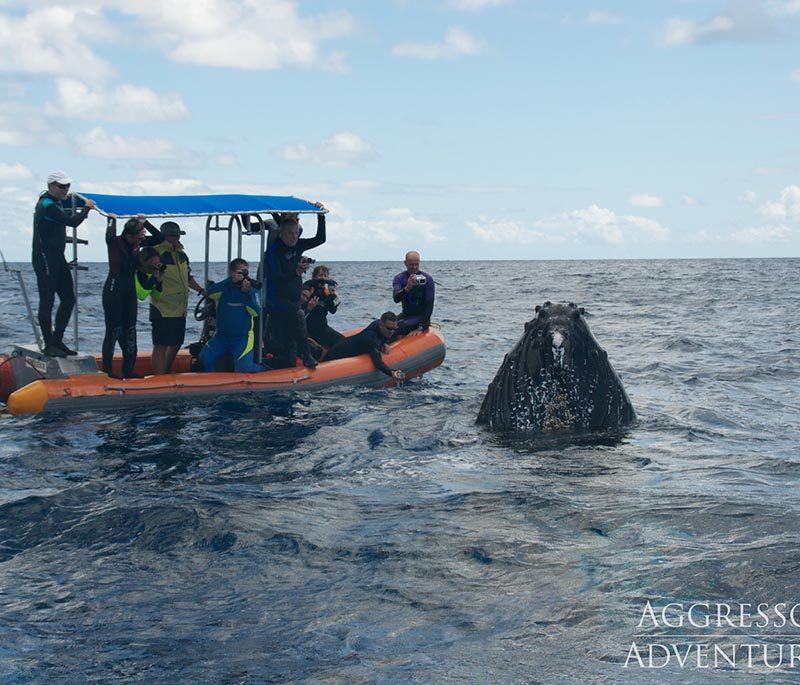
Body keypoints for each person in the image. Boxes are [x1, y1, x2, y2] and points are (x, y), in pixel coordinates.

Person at [32, 171, 96, 357]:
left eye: (67, 186)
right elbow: (73, 222)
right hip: (43, 258)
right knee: (48, 301)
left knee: (69, 298)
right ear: (51, 186)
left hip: (57, 258)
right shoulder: (47, 205)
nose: (65, 189)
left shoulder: (57, 202)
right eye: (61, 186)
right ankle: (48, 344)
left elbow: (63, 217)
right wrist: (87, 208)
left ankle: (57, 340)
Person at [264, 203, 326, 368]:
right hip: (276, 302)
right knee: (297, 314)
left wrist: (321, 216)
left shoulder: (299, 244)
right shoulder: (273, 251)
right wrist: (296, 272)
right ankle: (307, 355)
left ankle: (272, 364)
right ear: (282, 233)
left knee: (289, 357)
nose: (294, 237)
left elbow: (321, 239)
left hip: (293, 302)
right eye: (290, 233)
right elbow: (276, 278)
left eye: (296, 233)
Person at [101, 213, 162, 379]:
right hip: (114, 291)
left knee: (130, 331)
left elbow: (159, 238)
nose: (141, 240)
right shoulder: (115, 242)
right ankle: (108, 371)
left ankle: (128, 371)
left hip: (128, 293)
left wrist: (145, 222)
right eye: (139, 237)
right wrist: (112, 219)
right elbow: (109, 234)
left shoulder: (138, 244)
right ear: (129, 235)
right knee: (113, 331)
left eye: (143, 236)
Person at [150, 221, 206, 374]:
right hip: (162, 306)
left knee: (176, 343)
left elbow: (188, 277)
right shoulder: (155, 253)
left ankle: (165, 372)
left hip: (179, 308)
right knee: (160, 344)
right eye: (173, 235)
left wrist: (201, 290)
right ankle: (159, 376)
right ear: (164, 236)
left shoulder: (182, 255)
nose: (176, 238)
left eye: (178, 235)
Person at [198, 258, 267, 373]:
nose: (244, 276)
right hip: (221, 337)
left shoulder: (252, 290)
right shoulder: (224, 289)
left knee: (243, 370)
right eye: (240, 272)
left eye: (246, 272)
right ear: (232, 272)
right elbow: (210, 293)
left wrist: (246, 294)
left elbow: (256, 312)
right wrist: (230, 281)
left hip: (242, 339)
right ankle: (212, 382)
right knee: (202, 361)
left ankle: (265, 370)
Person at [325, 311, 406, 380]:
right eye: (389, 329)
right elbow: (378, 363)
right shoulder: (371, 338)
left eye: (394, 329)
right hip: (336, 354)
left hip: (342, 344)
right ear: (381, 325)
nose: (392, 332)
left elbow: (384, 336)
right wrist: (392, 373)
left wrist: (384, 343)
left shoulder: (377, 324)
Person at [392, 250, 435, 336]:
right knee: (381, 324)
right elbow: (396, 299)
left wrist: (421, 327)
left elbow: (429, 306)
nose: (414, 267)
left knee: (397, 327)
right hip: (405, 315)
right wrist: (407, 288)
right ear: (405, 263)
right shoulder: (399, 278)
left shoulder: (427, 279)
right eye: (411, 264)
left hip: (420, 317)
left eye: (416, 264)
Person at [303, 264, 344, 348]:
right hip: (308, 329)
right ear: (314, 277)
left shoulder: (327, 292)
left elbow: (333, 311)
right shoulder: (309, 287)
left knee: (342, 341)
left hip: (322, 328)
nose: (323, 278)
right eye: (320, 275)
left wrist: (332, 296)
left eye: (325, 276)